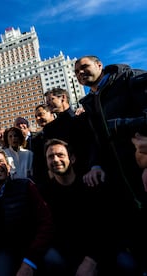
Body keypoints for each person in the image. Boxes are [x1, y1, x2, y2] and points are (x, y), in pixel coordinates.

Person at [75, 55, 147, 273]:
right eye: (76, 71)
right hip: (119, 180)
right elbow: (97, 139)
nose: (80, 73)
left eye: (84, 67)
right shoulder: (90, 102)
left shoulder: (130, 78)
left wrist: (120, 125)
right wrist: (95, 165)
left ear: (99, 66)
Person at [40, 139, 130, 275]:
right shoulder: (45, 193)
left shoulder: (91, 183)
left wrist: (92, 260)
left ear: (73, 158)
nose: (55, 159)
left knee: (128, 264)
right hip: (70, 255)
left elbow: (109, 228)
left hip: (101, 251)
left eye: (60, 155)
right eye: (50, 157)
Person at [0, 147, 53, 276]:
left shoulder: (26, 186)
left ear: (9, 167)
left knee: (56, 262)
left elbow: (46, 221)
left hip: (32, 245)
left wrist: (29, 260)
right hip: (2, 250)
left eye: (1, 162)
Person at [31, 104, 55, 187]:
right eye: (36, 116)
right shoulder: (36, 139)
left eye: (41, 114)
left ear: (51, 113)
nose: (38, 118)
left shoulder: (63, 128)